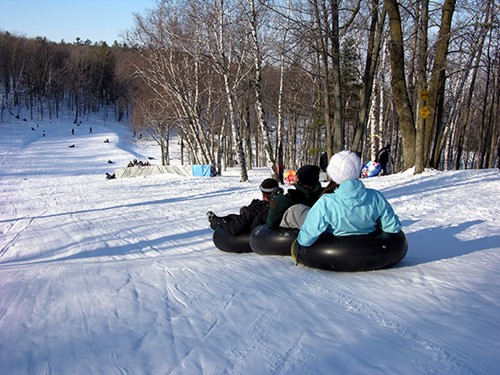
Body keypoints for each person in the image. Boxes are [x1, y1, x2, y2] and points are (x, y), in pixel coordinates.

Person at [297, 150, 401, 247]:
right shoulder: (376, 197)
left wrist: (298, 243)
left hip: (334, 250)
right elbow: (392, 227)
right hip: (370, 249)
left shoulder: (326, 202)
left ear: (334, 174)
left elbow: (306, 238)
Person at [207, 178, 282, 236]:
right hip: (255, 219)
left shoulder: (255, 209)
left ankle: (214, 221)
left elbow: (234, 229)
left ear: (264, 194)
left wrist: (223, 224)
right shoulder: (283, 204)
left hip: (250, 228)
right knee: (233, 216)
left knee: (228, 220)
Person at [267, 164, 323, 229]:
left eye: (296, 175)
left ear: (298, 179)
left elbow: (271, 222)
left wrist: (277, 199)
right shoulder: (324, 196)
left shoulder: (287, 199)